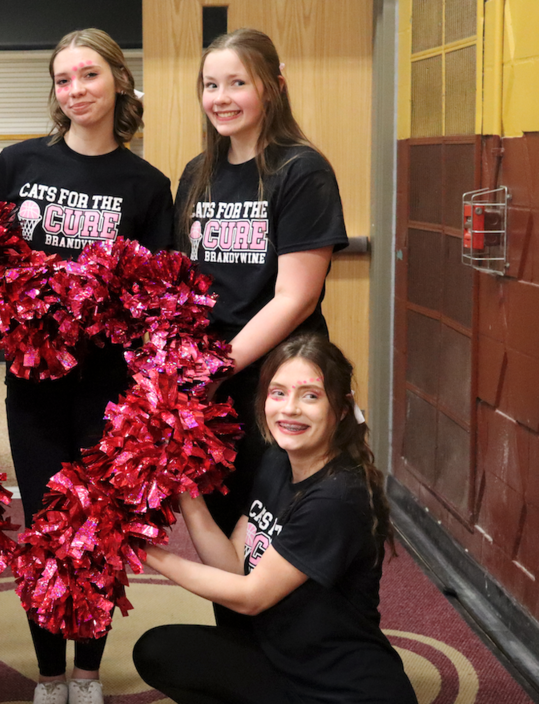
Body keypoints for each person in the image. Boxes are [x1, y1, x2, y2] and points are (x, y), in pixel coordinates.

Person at [0, 27, 174, 704]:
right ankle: (48, 675)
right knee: (42, 526)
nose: (76, 91)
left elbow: (157, 295)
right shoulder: (17, 164)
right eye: (63, 80)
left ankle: (87, 677)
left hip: (107, 388)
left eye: (88, 75)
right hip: (32, 386)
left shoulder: (147, 184)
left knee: (97, 528)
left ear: (119, 81)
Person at [133, 334, 417, 704]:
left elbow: (250, 597)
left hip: (343, 688)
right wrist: (187, 484)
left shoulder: (336, 498)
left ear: (343, 409)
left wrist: (142, 550)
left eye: (310, 396)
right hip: (283, 662)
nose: (290, 409)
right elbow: (235, 564)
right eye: (278, 393)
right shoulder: (276, 462)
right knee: (158, 651)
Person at [175, 29, 350, 537]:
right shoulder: (197, 174)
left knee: (273, 532)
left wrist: (215, 367)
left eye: (237, 83)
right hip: (210, 385)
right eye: (210, 85)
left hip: (277, 382)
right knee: (225, 529)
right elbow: (179, 286)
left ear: (273, 87)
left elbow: (295, 298)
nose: (220, 98)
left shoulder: (302, 170)